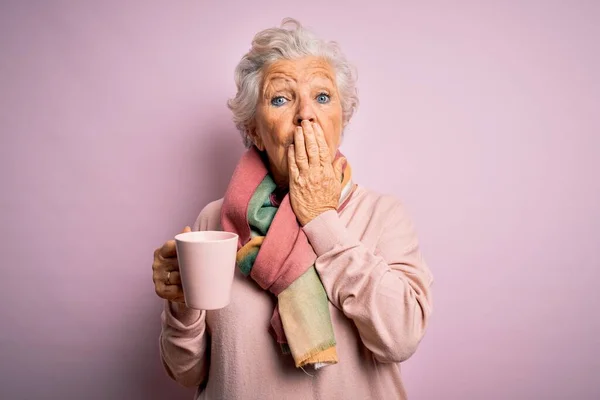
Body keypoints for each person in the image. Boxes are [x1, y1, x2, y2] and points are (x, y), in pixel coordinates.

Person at [152, 18, 433, 400]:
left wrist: (321, 219)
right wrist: (182, 308)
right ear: (254, 130)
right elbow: (187, 372)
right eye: (281, 99)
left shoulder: (382, 215)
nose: (306, 114)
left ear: (342, 118)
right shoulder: (215, 221)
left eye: (322, 97)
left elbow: (400, 338)